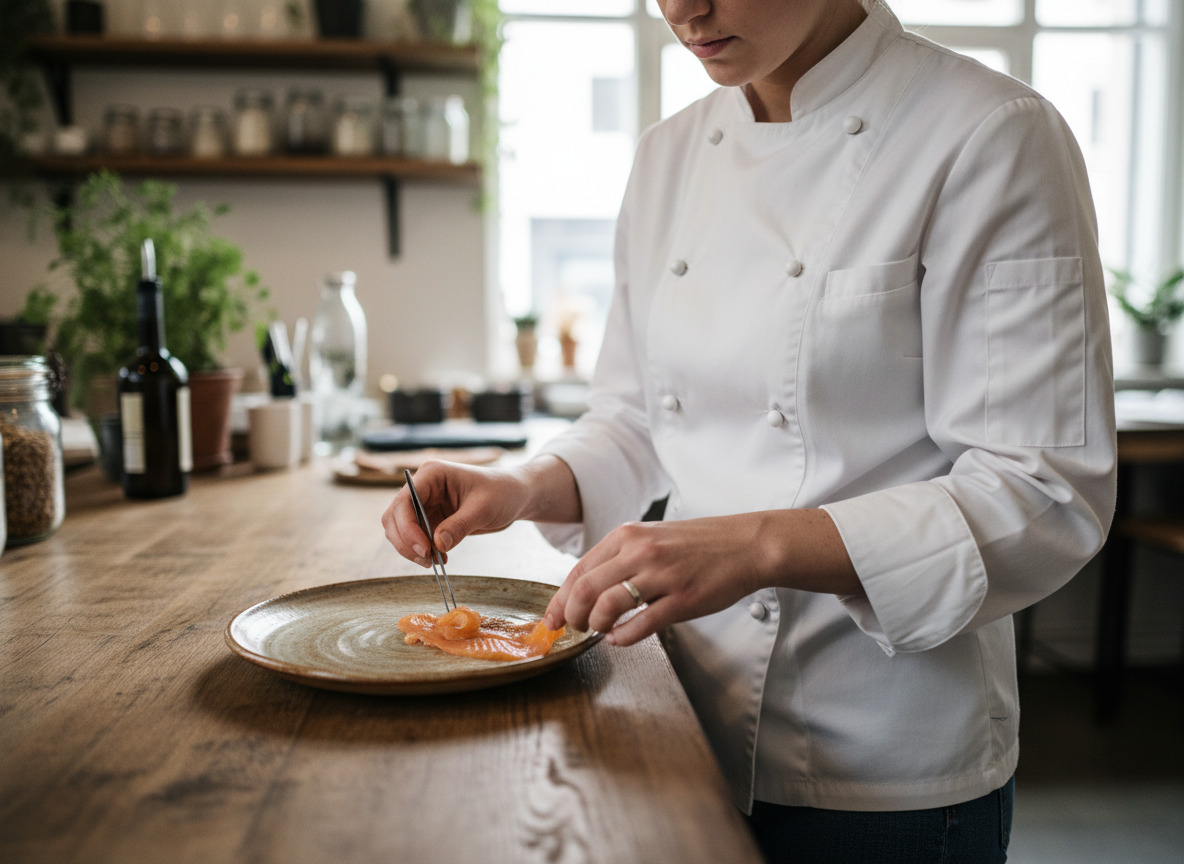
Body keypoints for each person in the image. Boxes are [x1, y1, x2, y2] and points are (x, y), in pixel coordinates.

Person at [383, 1, 1117, 861]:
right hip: (679, 710)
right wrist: (521, 487)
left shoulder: (991, 134)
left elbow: (1042, 491)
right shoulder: (668, 155)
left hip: (879, 758)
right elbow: (635, 416)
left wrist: (758, 546)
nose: (683, 9)